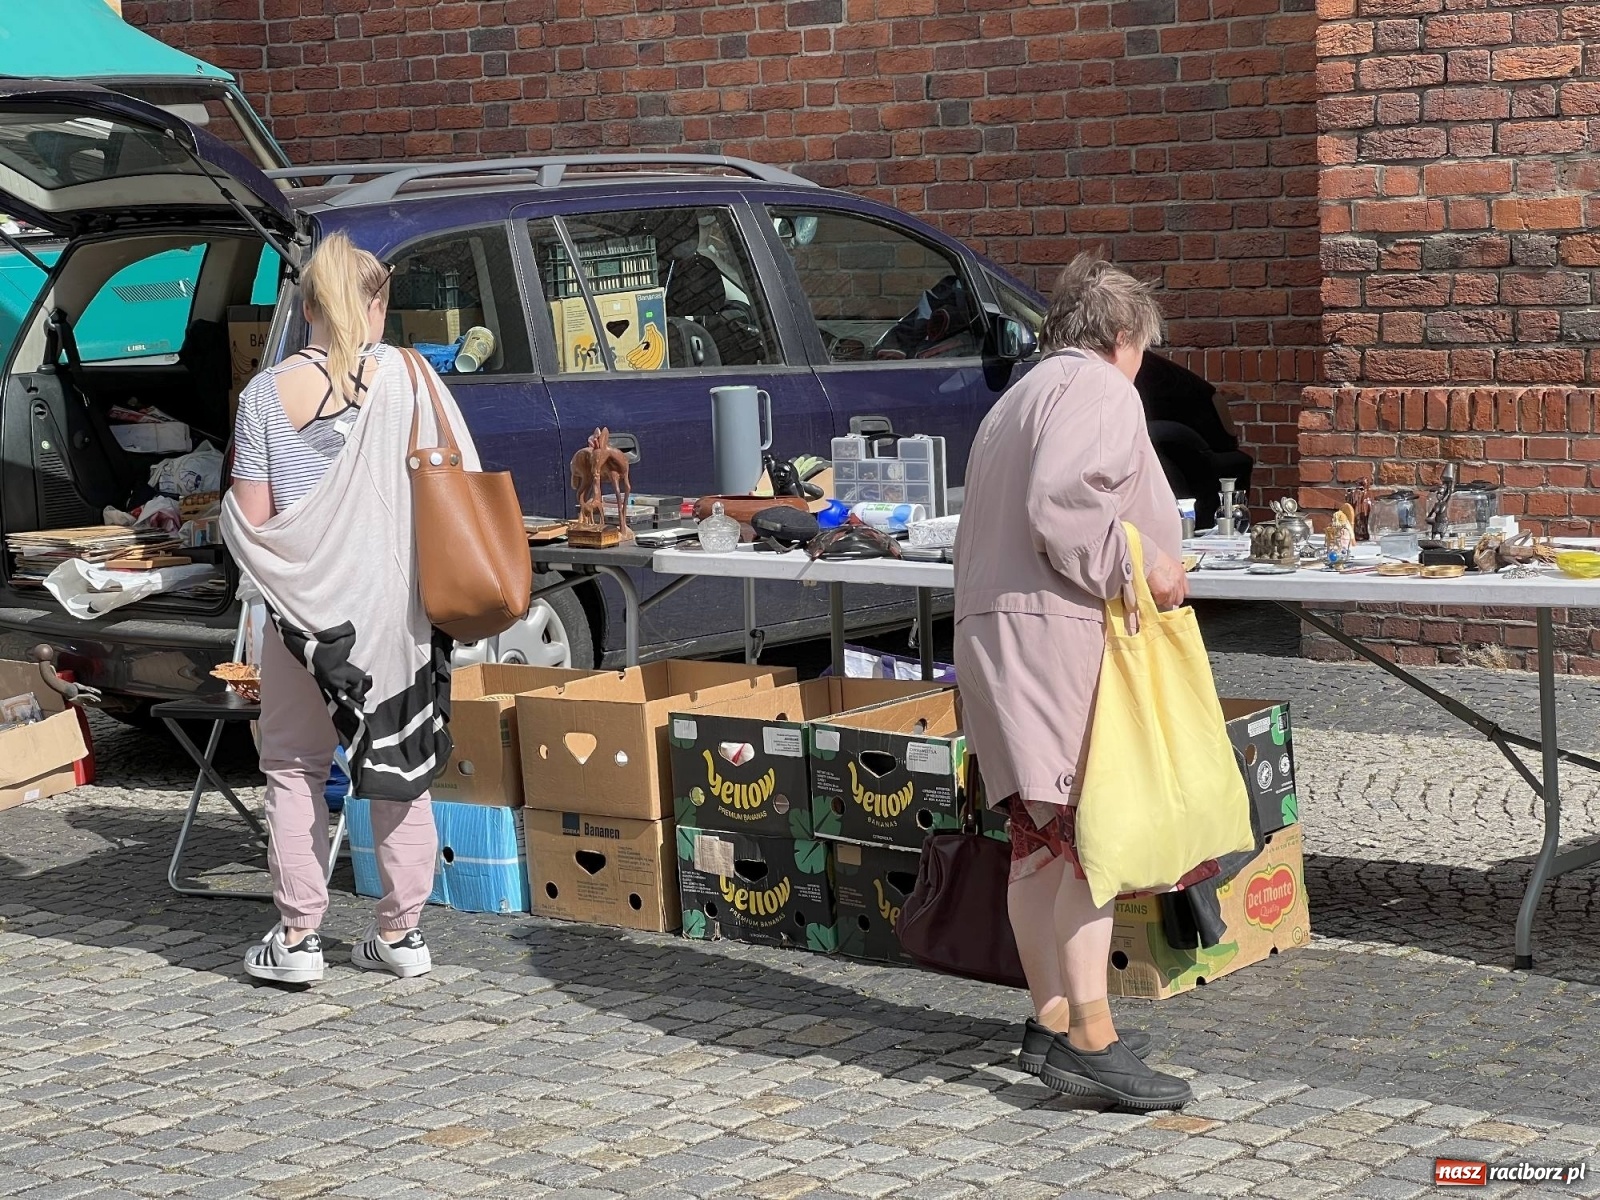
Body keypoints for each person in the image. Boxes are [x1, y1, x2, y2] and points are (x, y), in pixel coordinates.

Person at [952, 253, 1193, 1111]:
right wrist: (1145, 571)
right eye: (1143, 351)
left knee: (1037, 847)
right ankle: (1092, 1038)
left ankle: (1050, 1021)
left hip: (1002, 637)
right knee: (1090, 845)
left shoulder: (1016, 397)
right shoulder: (1097, 388)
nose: (1142, 368)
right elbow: (1068, 506)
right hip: (1054, 644)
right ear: (1122, 336)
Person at [226, 232, 451, 986]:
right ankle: (403, 933)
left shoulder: (265, 395)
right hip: (391, 611)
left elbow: (256, 520)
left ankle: (297, 941)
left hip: (301, 613)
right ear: (375, 303)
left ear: (307, 306)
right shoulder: (406, 380)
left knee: (293, 766)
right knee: (397, 762)